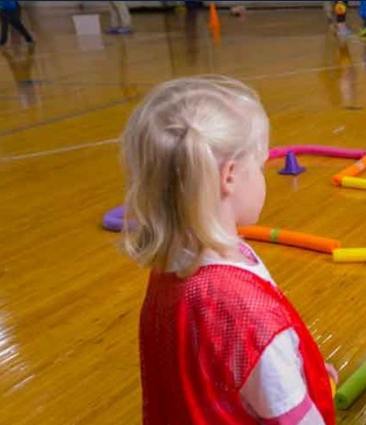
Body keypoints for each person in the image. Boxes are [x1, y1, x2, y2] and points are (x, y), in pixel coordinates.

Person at [121, 76, 338, 424]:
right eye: (261, 163)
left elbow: (216, 368)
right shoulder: (242, 311)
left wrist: (295, 372)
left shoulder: (172, 263)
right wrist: (287, 384)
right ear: (230, 176)